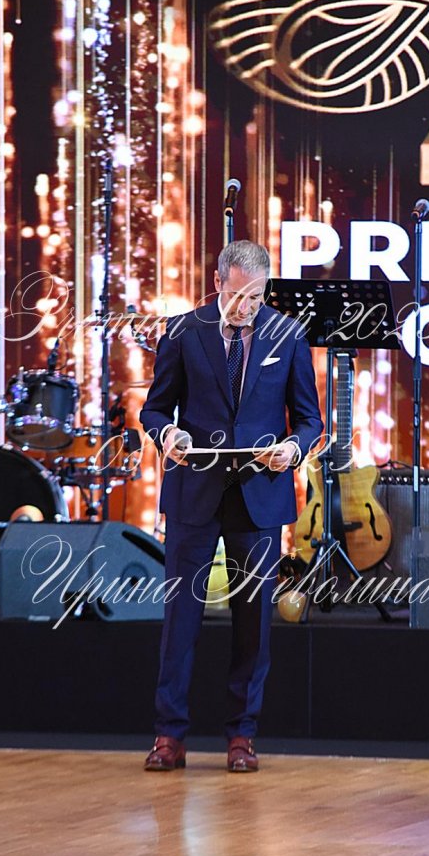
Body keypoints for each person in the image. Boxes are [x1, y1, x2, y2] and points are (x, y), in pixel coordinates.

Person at [140, 240, 323, 772]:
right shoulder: (183, 331)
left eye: (256, 297)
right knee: (181, 621)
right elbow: (155, 409)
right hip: (194, 494)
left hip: (258, 497)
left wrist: (293, 449)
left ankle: (242, 736)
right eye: (237, 295)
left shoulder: (288, 334)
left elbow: (309, 419)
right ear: (217, 281)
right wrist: (168, 434)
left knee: (254, 624)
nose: (246, 307)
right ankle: (169, 736)